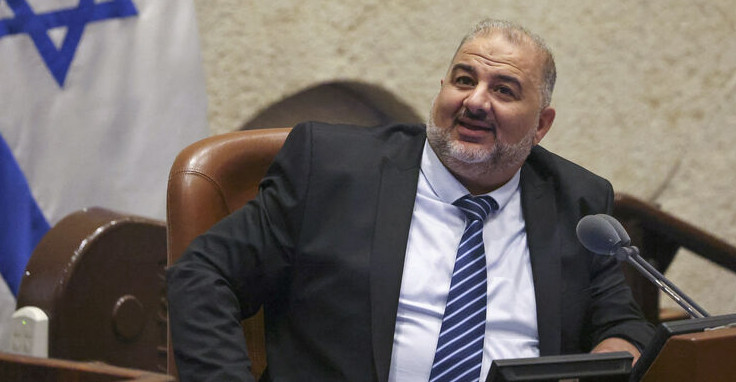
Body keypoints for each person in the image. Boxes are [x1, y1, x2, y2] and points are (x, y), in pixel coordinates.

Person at [167, 19, 654, 382]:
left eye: (503, 90)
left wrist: (613, 359)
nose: (477, 101)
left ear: (541, 125)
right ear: (441, 90)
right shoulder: (334, 170)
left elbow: (623, 327)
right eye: (464, 80)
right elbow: (204, 273)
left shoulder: (577, 201)